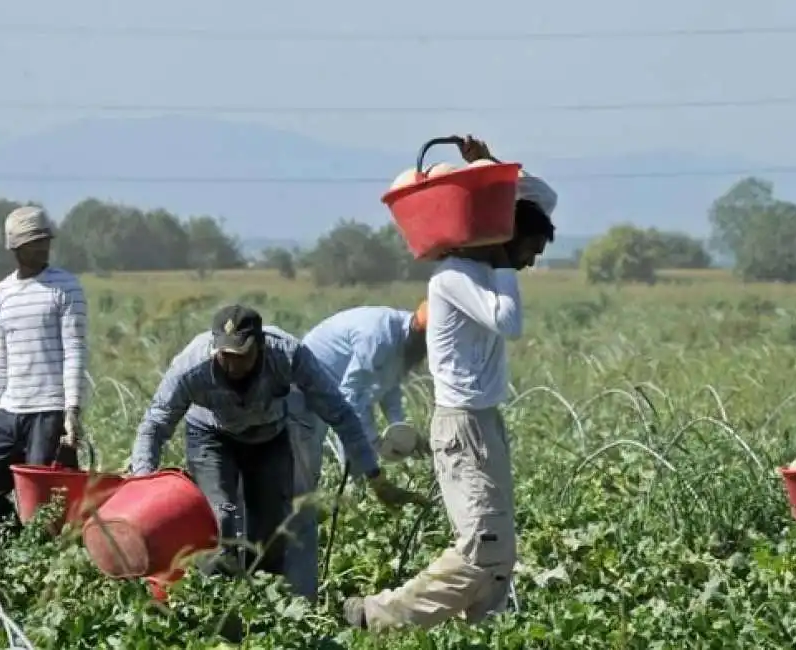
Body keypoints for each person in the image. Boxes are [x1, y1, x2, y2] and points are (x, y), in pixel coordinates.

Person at [344, 134, 558, 631]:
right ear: (505, 239)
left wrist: (490, 168)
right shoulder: (454, 277)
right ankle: (377, 616)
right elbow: (510, 322)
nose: (531, 261)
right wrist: (503, 258)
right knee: (481, 548)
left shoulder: (482, 269)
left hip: (484, 421)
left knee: (499, 551)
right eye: (529, 249)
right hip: (462, 426)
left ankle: (487, 630)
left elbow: (544, 199)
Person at [127, 304, 423, 580]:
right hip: (211, 437)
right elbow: (154, 425)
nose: (231, 364)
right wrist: (142, 486)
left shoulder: (288, 354)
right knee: (221, 520)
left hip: (268, 437)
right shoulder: (192, 366)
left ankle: (263, 610)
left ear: (260, 345)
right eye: (224, 354)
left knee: (270, 534)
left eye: (241, 354)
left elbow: (340, 413)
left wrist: (374, 475)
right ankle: (215, 603)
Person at [0, 205, 88, 542]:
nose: (41, 247)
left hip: (49, 411)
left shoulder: (65, 287)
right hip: (9, 410)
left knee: (44, 509)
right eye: (33, 242)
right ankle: (17, 549)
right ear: (14, 247)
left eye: (45, 240)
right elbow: (1, 355)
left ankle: (41, 568)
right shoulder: (1, 293)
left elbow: (75, 351)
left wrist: (71, 412)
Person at [285, 303, 431, 601]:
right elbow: (349, 401)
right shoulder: (377, 337)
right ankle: (298, 579)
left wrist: (402, 433)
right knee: (304, 479)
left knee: (354, 467)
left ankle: (350, 510)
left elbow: (390, 392)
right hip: (306, 392)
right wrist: (373, 445)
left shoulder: (402, 345)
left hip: (335, 394)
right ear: (421, 333)